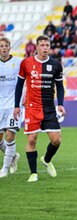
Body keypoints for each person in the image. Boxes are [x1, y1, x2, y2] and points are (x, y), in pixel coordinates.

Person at [14, 35, 66, 182]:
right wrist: (16, 105)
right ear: (36, 47)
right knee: (32, 139)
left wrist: (60, 103)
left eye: (47, 45)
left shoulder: (56, 64)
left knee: (56, 140)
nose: (44, 48)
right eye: (42, 45)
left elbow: (60, 87)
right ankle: (33, 173)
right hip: (32, 107)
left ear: (49, 47)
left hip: (49, 107)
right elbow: (19, 85)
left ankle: (47, 159)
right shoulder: (26, 63)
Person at [0, 37, 21, 178]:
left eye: (6, 45)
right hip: (0, 104)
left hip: (13, 105)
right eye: (1, 46)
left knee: (9, 135)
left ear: (10, 48)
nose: (4, 48)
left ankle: (4, 169)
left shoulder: (18, 62)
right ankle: (13, 156)